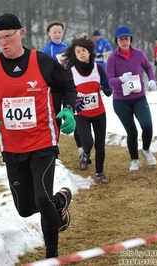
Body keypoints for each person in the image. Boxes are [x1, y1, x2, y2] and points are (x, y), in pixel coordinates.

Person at [0, 13, 77, 259]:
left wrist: (69, 110)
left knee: (41, 198)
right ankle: (60, 201)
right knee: (25, 208)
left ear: (21, 33)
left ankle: (52, 257)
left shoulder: (42, 61)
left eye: (8, 36)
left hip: (43, 142)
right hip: (12, 147)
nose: (3, 42)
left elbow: (68, 87)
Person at [106, 25, 157, 171]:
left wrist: (152, 79)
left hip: (139, 97)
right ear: (116, 41)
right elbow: (110, 80)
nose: (124, 41)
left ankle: (146, 150)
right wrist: (121, 79)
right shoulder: (112, 58)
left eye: (126, 38)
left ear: (130, 39)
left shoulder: (139, 54)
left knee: (147, 125)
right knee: (132, 132)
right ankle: (134, 159)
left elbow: (148, 67)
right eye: (121, 39)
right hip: (121, 101)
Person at [61, 36, 112, 184]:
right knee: (88, 143)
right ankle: (85, 155)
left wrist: (107, 88)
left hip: (99, 113)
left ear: (89, 51)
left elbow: (108, 92)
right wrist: (74, 101)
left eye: (84, 50)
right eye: (78, 52)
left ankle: (100, 173)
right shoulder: (71, 72)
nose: (82, 53)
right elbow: (66, 94)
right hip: (81, 114)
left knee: (100, 145)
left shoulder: (98, 68)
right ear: (74, 55)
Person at [41, 20, 85, 165]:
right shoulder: (46, 50)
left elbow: (76, 61)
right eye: (54, 32)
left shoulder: (67, 46)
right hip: (54, 89)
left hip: (68, 87)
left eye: (59, 31)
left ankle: (81, 150)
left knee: (74, 116)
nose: (57, 34)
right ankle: (54, 151)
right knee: (56, 119)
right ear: (49, 34)